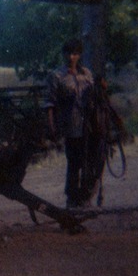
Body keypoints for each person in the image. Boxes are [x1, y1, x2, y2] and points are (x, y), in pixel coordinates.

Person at [45, 39, 94, 208]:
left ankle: (85, 196)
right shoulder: (56, 76)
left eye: (74, 54)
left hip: (88, 125)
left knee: (89, 161)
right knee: (74, 162)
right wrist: (52, 128)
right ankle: (72, 198)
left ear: (79, 55)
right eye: (68, 53)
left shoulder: (86, 74)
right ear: (63, 54)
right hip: (70, 125)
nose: (71, 57)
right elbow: (50, 104)